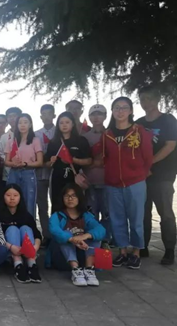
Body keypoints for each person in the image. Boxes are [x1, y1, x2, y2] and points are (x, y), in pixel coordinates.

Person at [98, 97, 153, 270]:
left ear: (130, 111)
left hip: (135, 182)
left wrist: (140, 174)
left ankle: (136, 252)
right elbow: (103, 156)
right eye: (117, 107)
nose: (120, 111)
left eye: (124, 107)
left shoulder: (139, 131)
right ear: (112, 111)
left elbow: (148, 157)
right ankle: (122, 251)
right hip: (112, 184)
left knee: (136, 219)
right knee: (117, 219)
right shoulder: (107, 134)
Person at [136, 85, 177, 264]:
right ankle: (142, 246)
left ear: (157, 99)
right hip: (142, 176)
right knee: (142, 213)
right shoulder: (138, 123)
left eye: (149, 98)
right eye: (142, 99)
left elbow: (170, 145)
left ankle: (169, 249)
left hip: (163, 175)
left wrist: (150, 163)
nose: (146, 102)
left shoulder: (168, 120)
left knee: (165, 212)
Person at [49, 184, 106, 287]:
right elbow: (55, 231)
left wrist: (84, 236)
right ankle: (75, 270)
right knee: (65, 235)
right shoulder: (57, 216)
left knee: (94, 235)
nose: (70, 199)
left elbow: (101, 230)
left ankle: (89, 269)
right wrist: (72, 239)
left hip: (82, 253)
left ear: (79, 198)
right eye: (67, 196)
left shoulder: (86, 215)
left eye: (74, 196)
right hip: (63, 256)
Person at [0, 184, 42, 283]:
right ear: (3, 196)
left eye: (15, 195)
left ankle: (32, 264)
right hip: (8, 249)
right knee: (12, 229)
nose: (12, 198)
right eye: (8, 195)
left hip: (27, 251)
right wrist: (11, 247)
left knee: (25, 228)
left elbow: (37, 235)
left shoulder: (26, 215)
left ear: (20, 197)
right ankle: (18, 264)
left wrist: (35, 248)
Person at [45, 111, 91, 210]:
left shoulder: (81, 140)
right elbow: (46, 164)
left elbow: (88, 161)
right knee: (57, 205)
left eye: (67, 122)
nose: (64, 125)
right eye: (61, 123)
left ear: (73, 124)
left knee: (76, 206)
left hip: (74, 179)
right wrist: (51, 161)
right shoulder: (53, 142)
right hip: (57, 179)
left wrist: (73, 160)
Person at [4, 113, 43, 217]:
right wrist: (13, 163)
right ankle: (11, 223)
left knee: (29, 201)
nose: (22, 125)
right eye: (20, 123)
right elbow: (6, 161)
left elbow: (40, 162)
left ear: (30, 125)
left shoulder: (35, 140)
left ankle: (29, 225)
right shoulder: (11, 141)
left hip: (28, 172)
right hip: (14, 172)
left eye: (25, 122)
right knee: (11, 200)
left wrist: (25, 164)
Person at [82, 105, 110, 244]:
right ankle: (93, 241)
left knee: (107, 214)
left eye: (99, 114)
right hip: (90, 182)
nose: (96, 117)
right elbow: (82, 159)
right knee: (91, 214)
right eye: (93, 114)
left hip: (108, 181)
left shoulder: (111, 134)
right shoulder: (84, 137)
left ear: (105, 116)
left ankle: (106, 241)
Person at [34, 104, 56, 245]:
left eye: (49, 113)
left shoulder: (59, 131)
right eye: (44, 114)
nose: (47, 116)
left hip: (56, 174)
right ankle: (46, 234)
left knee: (56, 205)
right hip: (40, 174)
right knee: (42, 206)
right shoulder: (36, 134)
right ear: (41, 116)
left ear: (54, 115)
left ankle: (56, 233)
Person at [0, 107, 23, 182]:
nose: (12, 119)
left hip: (25, 170)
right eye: (9, 116)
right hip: (8, 172)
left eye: (14, 116)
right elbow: (1, 153)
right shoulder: (4, 137)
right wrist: (11, 161)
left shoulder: (27, 135)